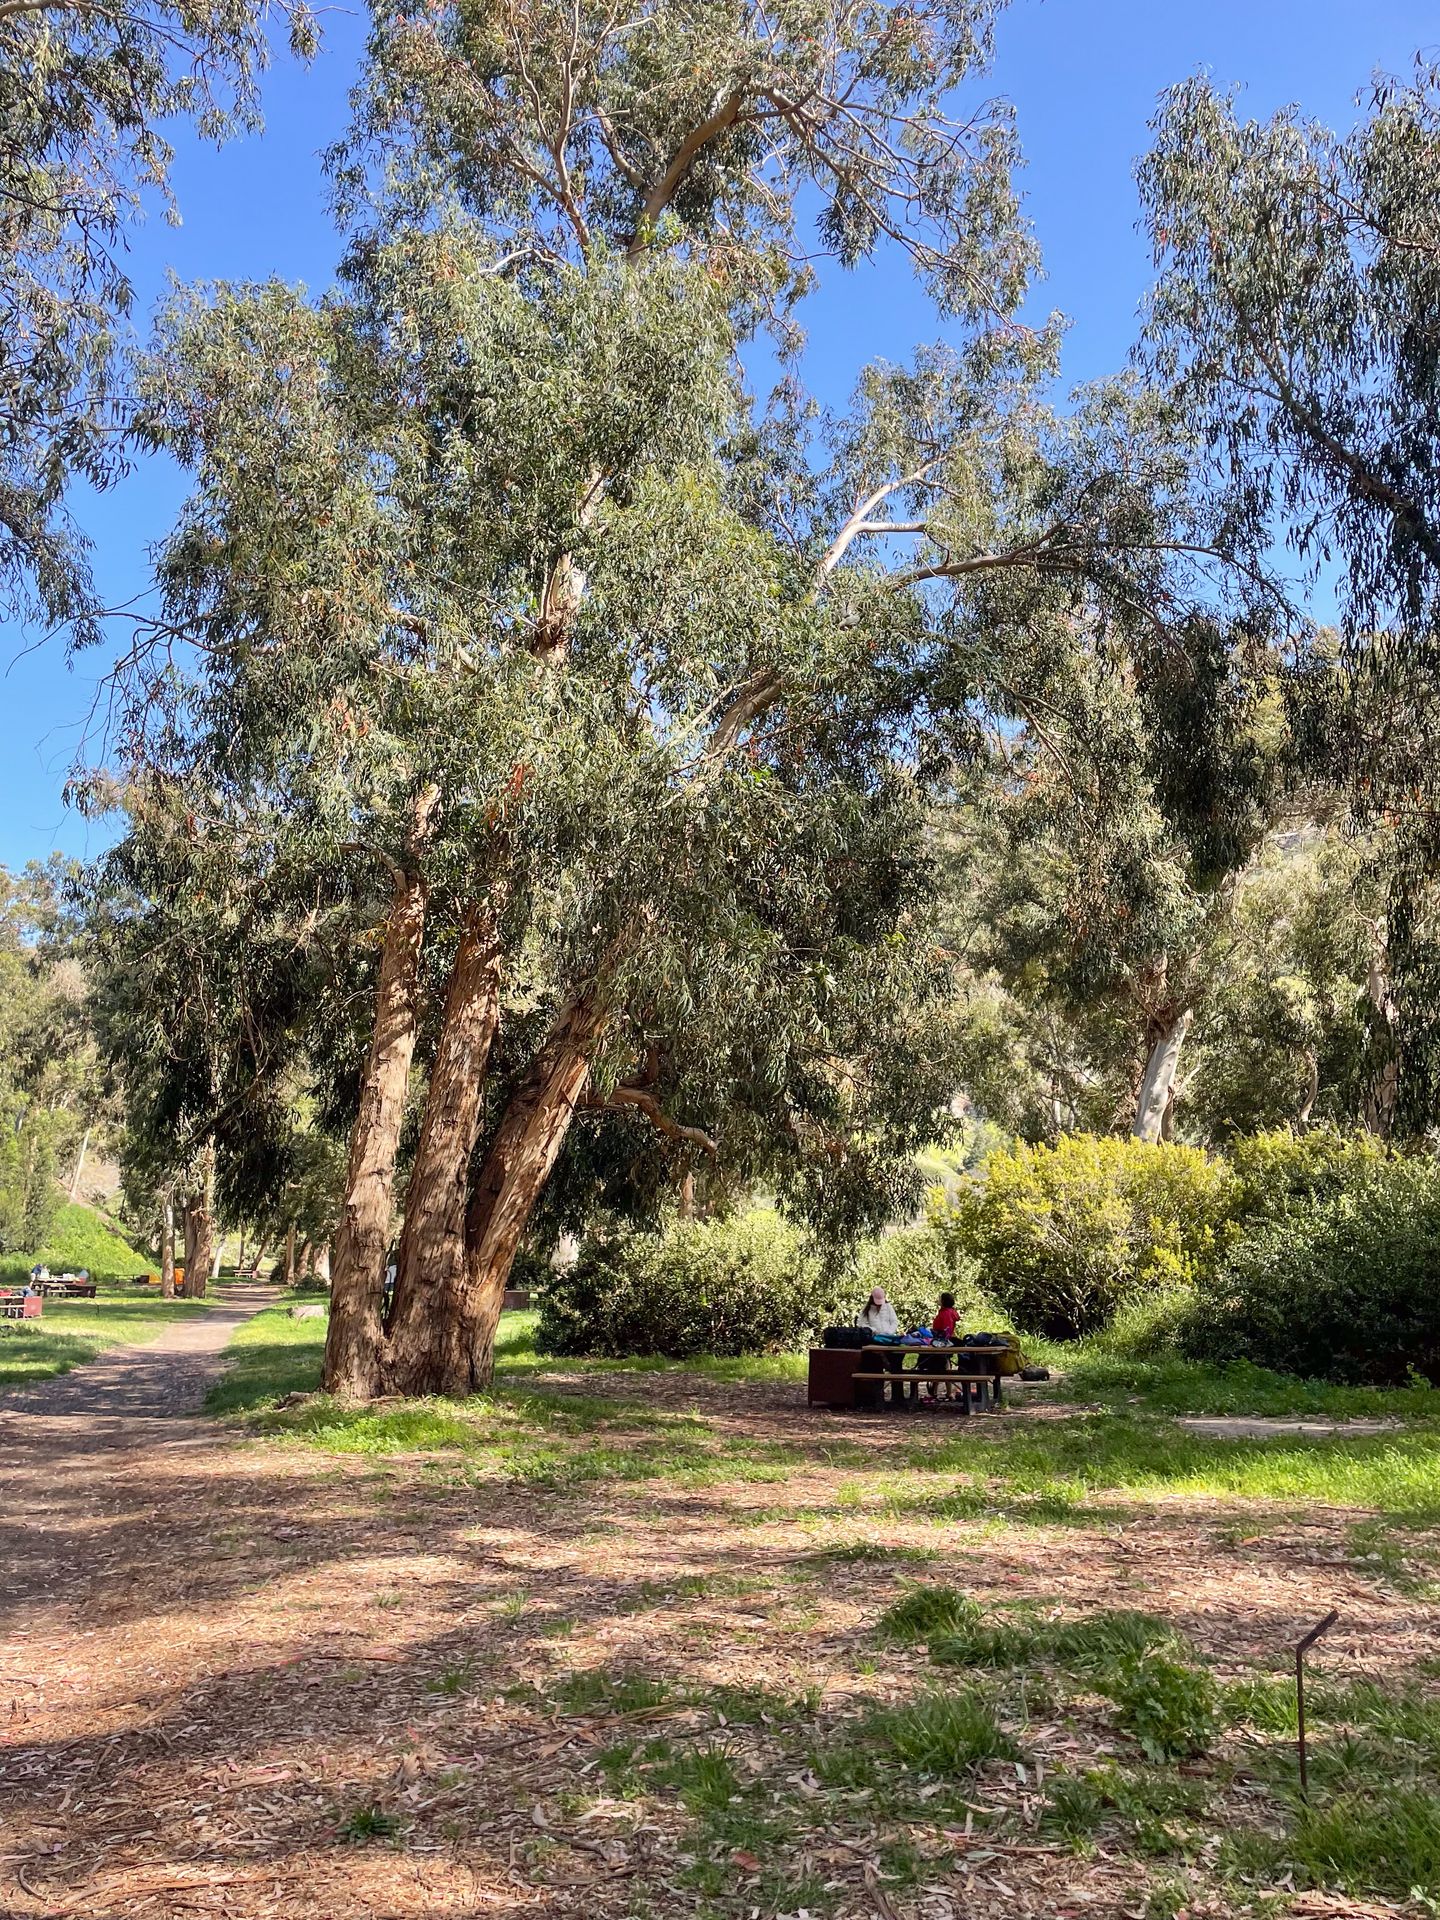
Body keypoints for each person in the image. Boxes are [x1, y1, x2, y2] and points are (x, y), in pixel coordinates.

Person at [855, 1287, 909, 1407]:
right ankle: (878, 1398)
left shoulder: (889, 1307)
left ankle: (897, 1396)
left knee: (897, 1361)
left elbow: (894, 1322)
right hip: (875, 1340)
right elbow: (861, 1324)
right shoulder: (866, 1309)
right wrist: (873, 1331)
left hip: (889, 1339)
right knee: (876, 1365)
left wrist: (889, 1332)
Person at [922, 1291, 959, 1401]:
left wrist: (940, 1340)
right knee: (941, 1366)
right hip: (943, 1341)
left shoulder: (946, 1313)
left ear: (943, 1301)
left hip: (942, 1343)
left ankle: (946, 1393)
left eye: (940, 1298)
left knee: (942, 1366)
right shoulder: (949, 1312)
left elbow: (946, 1330)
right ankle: (939, 1392)